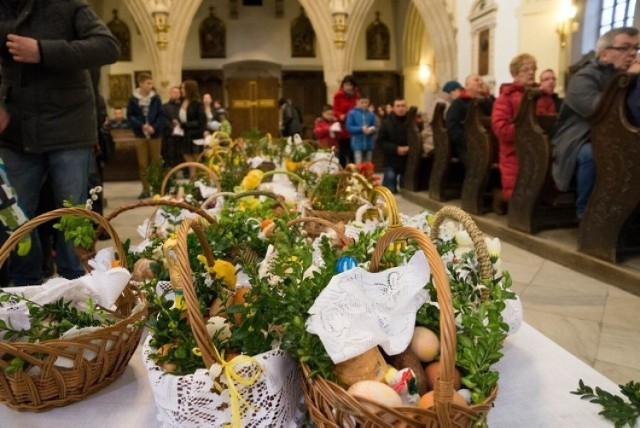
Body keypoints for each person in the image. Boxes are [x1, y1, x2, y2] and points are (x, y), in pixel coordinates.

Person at [0, 0, 120, 286]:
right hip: (16, 132)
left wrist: (42, 51)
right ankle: (27, 289)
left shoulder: (68, 4)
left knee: (72, 216)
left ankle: (75, 287)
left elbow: (108, 46)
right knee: (15, 218)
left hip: (68, 127)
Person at [552, 27, 640, 220]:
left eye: (636, 47)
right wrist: (628, 78)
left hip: (615, 136)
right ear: (605, 54)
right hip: (577, 138)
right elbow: (598, 112)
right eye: (625, 48)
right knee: (592, 155)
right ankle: (586, 213)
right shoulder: (583, 78)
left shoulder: (629, 77)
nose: (633, 53)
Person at [492, 53, 557, 213]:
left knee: (541, 196)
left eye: (533, 69)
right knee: (517, 197)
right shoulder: (505, 98)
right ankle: (499, 196)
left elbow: (551, 123)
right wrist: (526, 131)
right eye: (525, 69)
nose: (530, 72)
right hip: (515, 152)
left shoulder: (544, 97)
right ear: (515, 73)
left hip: (540, 150)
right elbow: (501, 128)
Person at [127, 72, 164, 199]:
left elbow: (160, 115)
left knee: (156, 162)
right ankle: (146, 189)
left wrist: (153, 127)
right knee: (142, 163)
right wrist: (142, 125)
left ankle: (158, 187)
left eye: (151, 83)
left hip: (155, 134)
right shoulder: (133, 99)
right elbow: (130, 117)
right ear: (141, 84)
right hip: (140, 134)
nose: (150, 85)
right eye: (148, 83)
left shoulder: (156, 98)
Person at [445, 74, 495, 167]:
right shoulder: (458, 104)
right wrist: (470, 141)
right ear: (467, 85)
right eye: (477, 80)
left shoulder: (487, 102)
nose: (481, 82)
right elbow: (452, 128)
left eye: (481, 81)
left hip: (489, 145)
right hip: (467, 147)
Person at [422, 80, 464, 157]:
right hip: (434, 141)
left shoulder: (440, 101)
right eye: (460, 91)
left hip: (432, 139)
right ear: (451, 92)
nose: (461, 94)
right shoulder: (444, 104)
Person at [378, 97, 410, 194]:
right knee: (389, 192)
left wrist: (410, 148)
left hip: (408, 160)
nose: (401, 108)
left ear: (406, 107)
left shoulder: (412, 121)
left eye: (403, 106)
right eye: (398, 106)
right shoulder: (386, 123)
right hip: (391, 159)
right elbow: (381, 142)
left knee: (407, 191)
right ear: (393, 108)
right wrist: (396, 149)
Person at [176, 80, 207, 177]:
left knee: (197, 161)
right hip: (185, 135)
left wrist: (185, 125)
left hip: (195, 134)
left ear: (189, 89)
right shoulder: (182, 101)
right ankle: (193, 179)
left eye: (183, 88)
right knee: (188, 159)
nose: (181, 90)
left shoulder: (197, 103)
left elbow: (201, 121)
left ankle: (198, 181)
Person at [333, 75, 359, 167]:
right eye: (346, 84)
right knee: (343, 154)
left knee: (354, 154)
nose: (348, 87)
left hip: (355, 128)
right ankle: (342, 174)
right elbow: (335, 111)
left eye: (350, 85)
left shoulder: (357, 96)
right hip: (344, 128)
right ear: (343, 85)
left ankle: (354, 176)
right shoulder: (338, 96)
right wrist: (342, 116)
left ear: (353, 86)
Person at [345, 94, 377, 164]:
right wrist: (361, 129)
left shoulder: (371, 114)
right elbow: (349, 127)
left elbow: (375, 126)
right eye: (362, 102)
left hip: (369, 143)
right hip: (357, 143)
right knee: (358, 165)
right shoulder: (352, 113)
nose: (364, 104)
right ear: (357, 102)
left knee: (369, 165)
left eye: (366, 102)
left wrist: (371, 130)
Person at [161, 86, 183, 169]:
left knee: (181, 154)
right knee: (169, 153)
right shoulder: (165, 106)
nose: (176, 94)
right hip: (169, 134)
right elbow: (163, 118)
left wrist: (179, 123)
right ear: (170, 93)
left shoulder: (183, 106)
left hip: (182, 134)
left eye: (178, 92)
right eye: (174, 92)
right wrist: (171, 126)